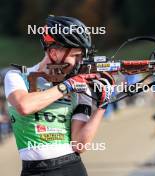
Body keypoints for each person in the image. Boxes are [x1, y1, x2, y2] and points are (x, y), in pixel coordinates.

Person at [4, 15, 114, 176]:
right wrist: (67, 86)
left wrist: (102, 106)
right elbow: (24, 106)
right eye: (76, 56)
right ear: (54, 53)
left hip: (72, 167)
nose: (80, 61)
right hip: (34, 170)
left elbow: (79, 145)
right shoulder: (16, 77)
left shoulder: (80, 87)